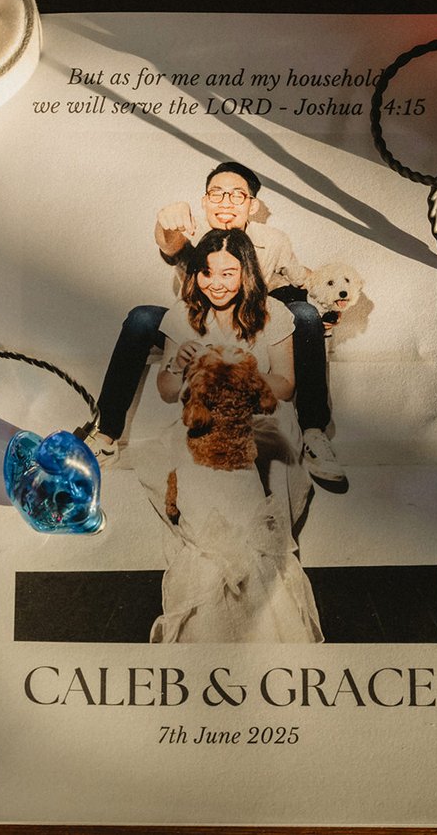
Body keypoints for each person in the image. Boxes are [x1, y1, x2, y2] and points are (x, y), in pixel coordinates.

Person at [87, 160, 345, 482]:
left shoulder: (274, 241)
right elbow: (169, 243)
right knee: (141, 318)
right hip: (199, 324)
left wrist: (329, 305)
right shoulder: (193, 234)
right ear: (205, 201)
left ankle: (314, 433)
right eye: (217, 194)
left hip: (250, 327)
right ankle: (105, 434)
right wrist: (165, 222)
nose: (225, 203)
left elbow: (302, 277)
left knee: (306, 314)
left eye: (237, 195)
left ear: (252, 205)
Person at [148, 230, 322, 643]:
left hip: (258, 416)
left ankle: (264, 612)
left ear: (247, 274)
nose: (216, 283)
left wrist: (238, 373)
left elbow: (285, 386)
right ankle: (207, 617)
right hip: (202, 419)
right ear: (196, 274)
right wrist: (178, 365)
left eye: (228, 273)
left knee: (270, 457)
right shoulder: (182, 313)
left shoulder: (272, 312)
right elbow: (168, 391)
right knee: (197, 476)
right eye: (206, 273)